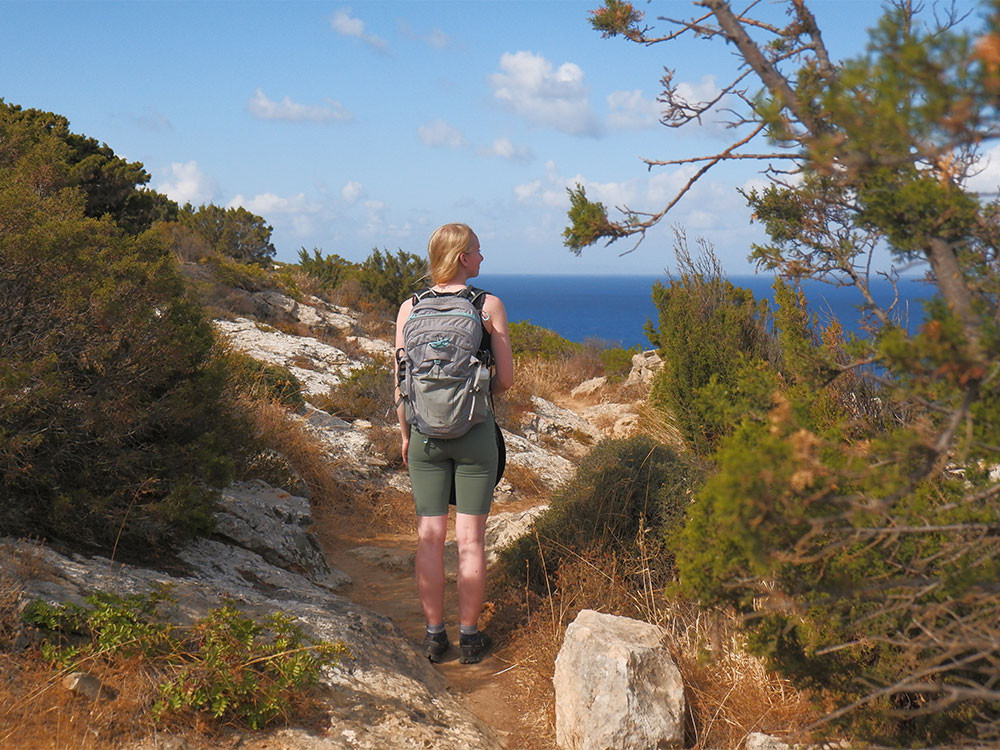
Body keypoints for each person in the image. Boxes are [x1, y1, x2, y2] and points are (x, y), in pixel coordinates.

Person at [394, 223, 514, 664]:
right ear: (463, 257)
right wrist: (474, 397)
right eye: (478, 251)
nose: (482, 258)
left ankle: (432, 635)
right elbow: (505, 380)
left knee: (429, 538)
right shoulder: (488, 306)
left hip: (424, 434)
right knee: (470, 541)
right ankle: (469, 636)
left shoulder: (410, 308)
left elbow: (402, 382)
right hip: (474, 434)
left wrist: (407, 434)